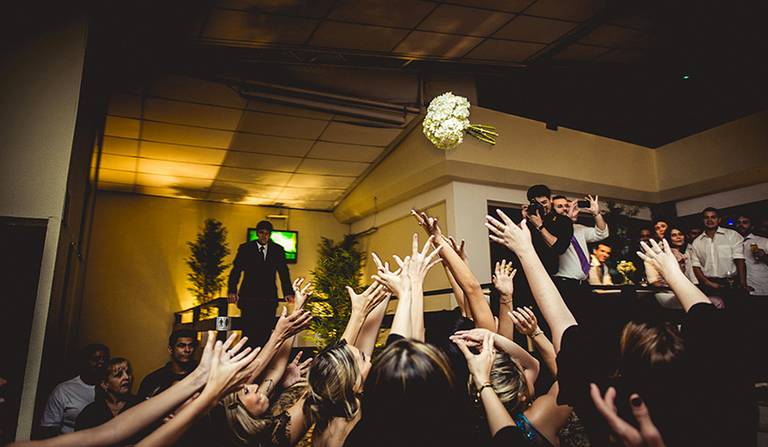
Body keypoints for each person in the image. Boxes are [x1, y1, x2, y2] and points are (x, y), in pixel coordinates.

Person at [485, 211, 757, 446]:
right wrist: (672, 272)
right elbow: (706, 315)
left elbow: (560, 319)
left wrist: (525, 251)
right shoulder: (727, 382)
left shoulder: (607, 402)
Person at [229, 220, 294, 349]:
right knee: (248, 333)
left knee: (265, 334)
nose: (264, 236)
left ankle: (263, 365)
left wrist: (288, 292)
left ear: (270, 234)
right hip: (249, 297)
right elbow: (236, 271)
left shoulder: (278, 250)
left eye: (267, 233)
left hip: (268, 298)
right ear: (257, 233)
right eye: (262, 233)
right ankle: (246, 365)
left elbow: (283, 272)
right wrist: (232, 290)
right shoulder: (245, 248)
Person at [553, 195, 609, 321]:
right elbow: (560, 236)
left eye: (567, 205)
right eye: (559, 206)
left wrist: (596, 214)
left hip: (582, 285)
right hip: (564, 285)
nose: (565, 209)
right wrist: (568, 219)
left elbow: (602, 233)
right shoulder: (553, 229)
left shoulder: (579, 229)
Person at [39, 344, 110, 437]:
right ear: (84, 362)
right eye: (95, 359)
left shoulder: (112, 390)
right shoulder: (64, 390)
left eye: (105, 360)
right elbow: (48, 429)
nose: (101, 363)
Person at [689, 207, 747, 303]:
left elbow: (740, 260)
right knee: (715, 316)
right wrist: (707, 282)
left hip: (730, 283)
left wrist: (743, 283)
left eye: (713, 217)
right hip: (708, 283)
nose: (710, 220)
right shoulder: (697, 242)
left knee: (735, 313)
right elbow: (696, 266)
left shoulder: (732, 235)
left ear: (719, 220)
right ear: (702, 220)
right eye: (706, 217)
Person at [75, 358, 139, 433]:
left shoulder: (140, 406)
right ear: (105, 384)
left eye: (128, 373)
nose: (126, 377)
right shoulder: (90, 413)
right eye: (118, 375)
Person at [137, 329, 198, 401]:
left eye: (191, 346)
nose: (187, 350)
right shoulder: (153, 380)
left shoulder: (199, 375)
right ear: (170, 349)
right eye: (181, 346)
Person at [737, 214, 768, 297]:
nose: (741, 225)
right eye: (738, 223)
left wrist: (764, 257)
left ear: (752, 226)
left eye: (745, 222)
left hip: (762, 288)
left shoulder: (764, 241)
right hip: (739, 291)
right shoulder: (733, 243)